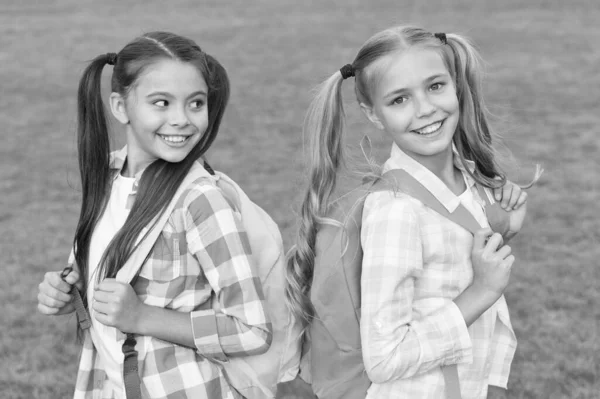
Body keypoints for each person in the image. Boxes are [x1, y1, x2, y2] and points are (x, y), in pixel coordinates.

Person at [286, 26, 540, 399]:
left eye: (435, 86)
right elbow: (385, 357)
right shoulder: (396, 212)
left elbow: (444, 272)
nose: (425, 109)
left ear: (456, 85)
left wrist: (500, 227)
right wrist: (481, 290)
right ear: (373, 115)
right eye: (399, 99)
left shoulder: (466, 178)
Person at [37, 31, 272, 399]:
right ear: (120, 107)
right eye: (161, 102)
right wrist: (72, 289)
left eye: (195, 103)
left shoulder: (200, 200)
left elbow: (251, 329)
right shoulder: (107, 174)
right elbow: (107, 266)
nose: (181, 119)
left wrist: (142, 317)